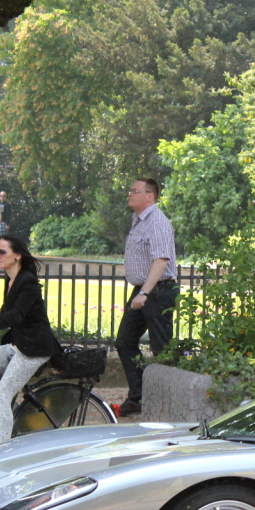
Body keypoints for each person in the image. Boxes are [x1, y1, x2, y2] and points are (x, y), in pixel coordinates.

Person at [0, 234, 61, 444]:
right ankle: (14, 413)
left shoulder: (28, 281)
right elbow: (5, 317)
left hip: (34, 348)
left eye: (2, 252)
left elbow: (16, 315)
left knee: (1, 396)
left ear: (17, 256)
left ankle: (3, 450)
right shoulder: (11, 280)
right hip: (19, 345)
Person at [114, 177, 178, 417]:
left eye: (135, 191)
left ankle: (167, 402)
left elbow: (161, 261)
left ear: (149, 196)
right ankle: (138, 397)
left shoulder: (158, 222)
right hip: (144, 290)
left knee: (162, 350)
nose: (130, 194)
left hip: (157, 291)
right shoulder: (139, 220)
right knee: (124, 342)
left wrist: (144, 293)